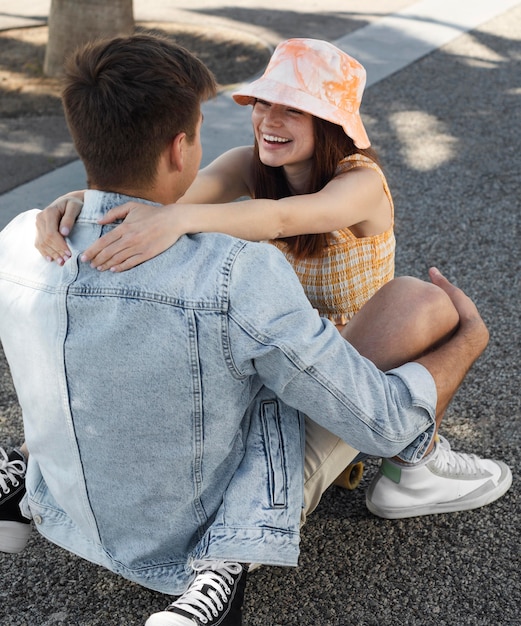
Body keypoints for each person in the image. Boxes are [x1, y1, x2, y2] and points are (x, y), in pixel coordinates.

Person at [0, 33, 512, 626]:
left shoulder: (361, 180)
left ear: (334, 124)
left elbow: (286, 216)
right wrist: (76, 203)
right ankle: (27, 463)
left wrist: (181, 218)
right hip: (267, 345)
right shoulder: (249, 165)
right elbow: (148, 186)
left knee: (425, 302)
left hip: (342, 350)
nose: (269, 118)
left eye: (294, 107)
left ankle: (414, 465)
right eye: (263, 103)